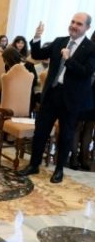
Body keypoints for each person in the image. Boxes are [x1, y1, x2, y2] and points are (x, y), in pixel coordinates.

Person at [19, 13, 95, 183]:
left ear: (87, 28)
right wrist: (37, 37)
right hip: (52, 94)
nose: (74, 26)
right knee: (40, 131)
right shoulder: (60, 41)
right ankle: (34, 165)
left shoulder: (91, 48)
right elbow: (37, 54)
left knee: (66, 135)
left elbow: (86, 72)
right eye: (73, 22)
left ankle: (59, 169)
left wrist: (68, 59)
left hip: (71, 99)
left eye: (79, 24)